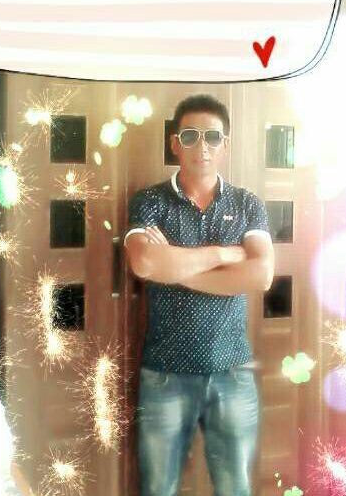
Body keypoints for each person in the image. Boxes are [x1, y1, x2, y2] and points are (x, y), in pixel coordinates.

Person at [124, 94, 275, 496]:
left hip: (233, 371)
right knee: (157, 489)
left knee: (235, 488)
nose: (202, 146)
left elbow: (261, 274)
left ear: (226, 144)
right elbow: (143, 262)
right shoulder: (150, 201)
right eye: (190, 136)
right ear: (175, 143)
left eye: (212, 137)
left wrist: (174, 269)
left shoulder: (247, 204)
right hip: (165, 374)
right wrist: (224, 255)